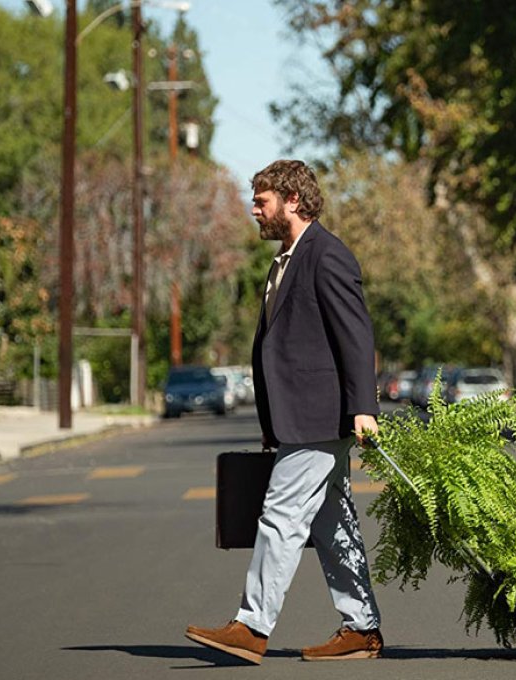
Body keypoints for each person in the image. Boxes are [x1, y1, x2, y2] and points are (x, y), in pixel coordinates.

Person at [185, 160, 383, 664]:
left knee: (279, 517)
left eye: (262, 200)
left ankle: (252, 626)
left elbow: (355, 336)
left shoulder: (327, 255)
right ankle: (361, 627)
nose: (254, 209)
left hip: (320, 416)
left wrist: (363, 406)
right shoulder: (288, 258)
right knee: (329, 521)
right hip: (302, 416)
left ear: (293, 200)